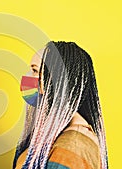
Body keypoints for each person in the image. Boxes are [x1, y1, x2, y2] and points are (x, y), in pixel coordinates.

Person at [14, 41, 108, 169]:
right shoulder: (56, 136)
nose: (27, 77)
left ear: (56, 81)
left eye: (35, 70)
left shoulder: (73, 146)